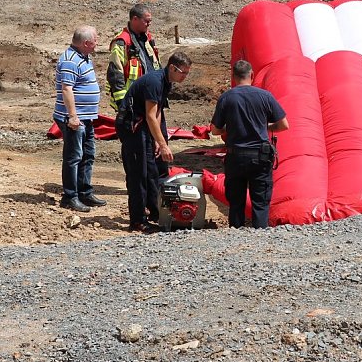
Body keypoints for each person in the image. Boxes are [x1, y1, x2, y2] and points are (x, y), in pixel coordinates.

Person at [119, 52, 192, 233]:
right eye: (183, 72)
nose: (185, 76)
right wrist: (163, 144)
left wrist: (158, 140)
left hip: (144, 126)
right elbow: (150, 115)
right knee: (138, 175)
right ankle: (137, 220)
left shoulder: (166, 82)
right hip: (132, 128)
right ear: (173, 68)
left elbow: (158, 112)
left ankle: (154, 212)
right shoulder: (154, 81)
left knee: (152, 171)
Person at [211, 60, 289, 229]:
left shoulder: (226, 98)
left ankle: (236, 234)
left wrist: (230, 128)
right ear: (252, 75)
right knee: (260, 203)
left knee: (236, 202)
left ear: (233, 77)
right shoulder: (265, 96)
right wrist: (265, 126)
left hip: (235, 157)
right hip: (260, 157)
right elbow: (284, 125)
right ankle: (260, 235)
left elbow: (215, 130)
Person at [53, 26, 107, 212]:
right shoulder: (70, 60)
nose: (97, 43)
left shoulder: (83, 57)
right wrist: (73, 116)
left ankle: (85, 192)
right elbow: (66, 89)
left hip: (86, 117)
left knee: (87, 155)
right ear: (86, 43)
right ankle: (70, 197)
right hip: (75, 119)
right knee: (74, 156)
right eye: (95, 40)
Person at [106, 3, 160, 112]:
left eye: (150, 21)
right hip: (132, 101)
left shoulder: (147, 38)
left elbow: (155, 65)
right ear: (135, 19)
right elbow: (115, 73)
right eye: (146, 21)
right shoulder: (122, 42)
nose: (149, 24)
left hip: (150, 96)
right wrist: (122, 103)